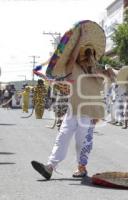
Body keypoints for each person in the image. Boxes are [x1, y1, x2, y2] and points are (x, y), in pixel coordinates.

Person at [31, 20, 107, 180]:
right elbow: (72, 55)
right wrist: (81, 37)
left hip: (88, 114)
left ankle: (82, 168)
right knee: (62, 137)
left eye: (90, 54)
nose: (87, 56)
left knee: (82, 143)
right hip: (72, 111)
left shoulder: (97, 73)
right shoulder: (72, 68)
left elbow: (105, 84)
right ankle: (50, 167)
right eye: (84, 54)